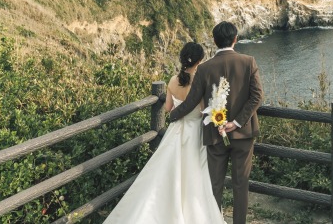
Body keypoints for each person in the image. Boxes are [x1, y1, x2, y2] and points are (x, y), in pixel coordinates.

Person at [104, 42, 226, 223]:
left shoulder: (172, 80)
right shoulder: (201, 81)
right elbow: (202, 111)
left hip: (175, 131)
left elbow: (168, 108)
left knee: (167, 169)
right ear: (199, 60)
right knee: (194, 173)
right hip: (194, 133)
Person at [169, 21, 263, 224]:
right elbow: (257, 97)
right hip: (243, 135)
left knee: (214, 185)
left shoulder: (204, 68)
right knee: (241, 184)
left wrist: (171, 116)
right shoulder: (249, 62)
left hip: (214, 135)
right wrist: (237, 122)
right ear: (235, 39)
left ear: (214, 40)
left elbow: (191, 102)